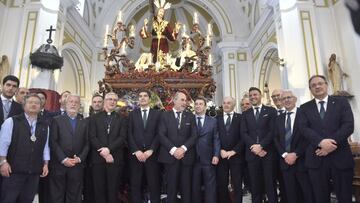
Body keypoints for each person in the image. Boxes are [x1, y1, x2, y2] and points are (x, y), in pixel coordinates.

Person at [299, 75, 354, 203]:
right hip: (316, 159)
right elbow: (303, 129)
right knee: (320, 197)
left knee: (345, 197)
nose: (317, 86)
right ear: (310, 89)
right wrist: (321, 142)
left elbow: (348, 125)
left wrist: (330, 144)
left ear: (326, 85)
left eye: (320, 83)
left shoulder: (341, 102)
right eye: (313, 85)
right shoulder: (304, 108)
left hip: (340, 157)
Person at [0, 93, 50, 203]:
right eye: (30, 102)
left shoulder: (44, 125)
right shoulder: (12, 121)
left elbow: (45, 146)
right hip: (13, 171)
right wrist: (3, 162)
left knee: (27, 200)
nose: (33, 105)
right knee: (8, 199)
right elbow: (3, 144)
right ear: (24, 105)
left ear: (41, 106)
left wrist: (46, 164)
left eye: (36, 103)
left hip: (34, 172)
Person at [274, 90, 314, 203]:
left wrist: (296, 154)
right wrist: (285, 154)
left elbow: (308, 137)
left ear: (295, 99)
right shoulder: (278, 118)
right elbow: (275, 139)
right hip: (285, 162)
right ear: (281, 102)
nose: (286, 100)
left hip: (303, 160)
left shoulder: (304, 114)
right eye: (284, 99)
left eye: (289, 97)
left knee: (307, 193)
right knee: (291, 194)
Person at [49, 94, 89, 203]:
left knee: (74, 195)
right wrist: (64, 159)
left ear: (79, 105)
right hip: (59, 164)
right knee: (57, 195)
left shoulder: (84, 122)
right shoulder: (56, 120)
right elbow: (53, 142)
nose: (73, 104)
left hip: (77, 165)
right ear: (66, 104)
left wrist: (80, 158)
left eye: (76, 102)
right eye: (71, 101)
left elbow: (87, 143)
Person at [158, 91, 197, 203]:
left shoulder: (190, 116)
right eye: (182, 100)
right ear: (174, 100)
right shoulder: (164, 115)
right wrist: (174, 150)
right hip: (170, 158)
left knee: (186, 189)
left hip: (186, 157)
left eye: (185, 100)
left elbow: (194, 135)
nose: (184, 102)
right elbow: (161, 134)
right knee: (171, 188)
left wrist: (183, 149)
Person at [89, 92, 127, 203]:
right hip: (98, 159)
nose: (112, 102)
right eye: (110, 99)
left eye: (115, 100)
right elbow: (92, 137)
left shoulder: (122, 118)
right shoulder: (94, 118)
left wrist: (108, 150)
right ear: (105, 101)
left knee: (113, 190)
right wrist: (104, 151)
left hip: (115, 159)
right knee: (99, 190)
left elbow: (122, 137)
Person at [241, 87, 278, 203]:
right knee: (255, 186)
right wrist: (254, 147)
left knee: (270, 184)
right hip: (252, 155)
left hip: (267, 153)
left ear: (260, 95)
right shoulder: (245, 114)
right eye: (251, 95)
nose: (253, 97)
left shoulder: (271, 111)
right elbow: (244, 133)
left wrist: (261, 146)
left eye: (255, 94)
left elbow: (272, 132)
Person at [128, 90, 161, 203]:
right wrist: (136, 151)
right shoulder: (132, 114)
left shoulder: (157, 114)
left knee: (154, 185)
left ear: (149, 99)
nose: (142, 98)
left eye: (145, 96)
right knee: (135, 185)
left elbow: (159, 134)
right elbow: (129, 134)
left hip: (152, 156)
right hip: (136, 156)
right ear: (138, 99)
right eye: (140, 96)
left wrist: (151, 150)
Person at [216, 96, 244, 203]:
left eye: (229, 103)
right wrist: (220, 150)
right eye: (224, 103)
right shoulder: (216, 119)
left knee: (237, 184)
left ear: (234, 105)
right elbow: (215, 137)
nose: (226, 105)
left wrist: (234, 151)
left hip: (236, 156)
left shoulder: (240, 118)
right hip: (221, 156)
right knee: (222, 184)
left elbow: (243, 137)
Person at [192, 97, 220, 203]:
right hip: (193, 159)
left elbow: (216, 139)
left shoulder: (213, 121)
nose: (198, 106)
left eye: (200, 104)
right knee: (195, 187)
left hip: (209, 159)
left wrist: (216, 155)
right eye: (196, 104)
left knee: (210, 187)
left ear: (205, 106)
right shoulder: (189, 120)